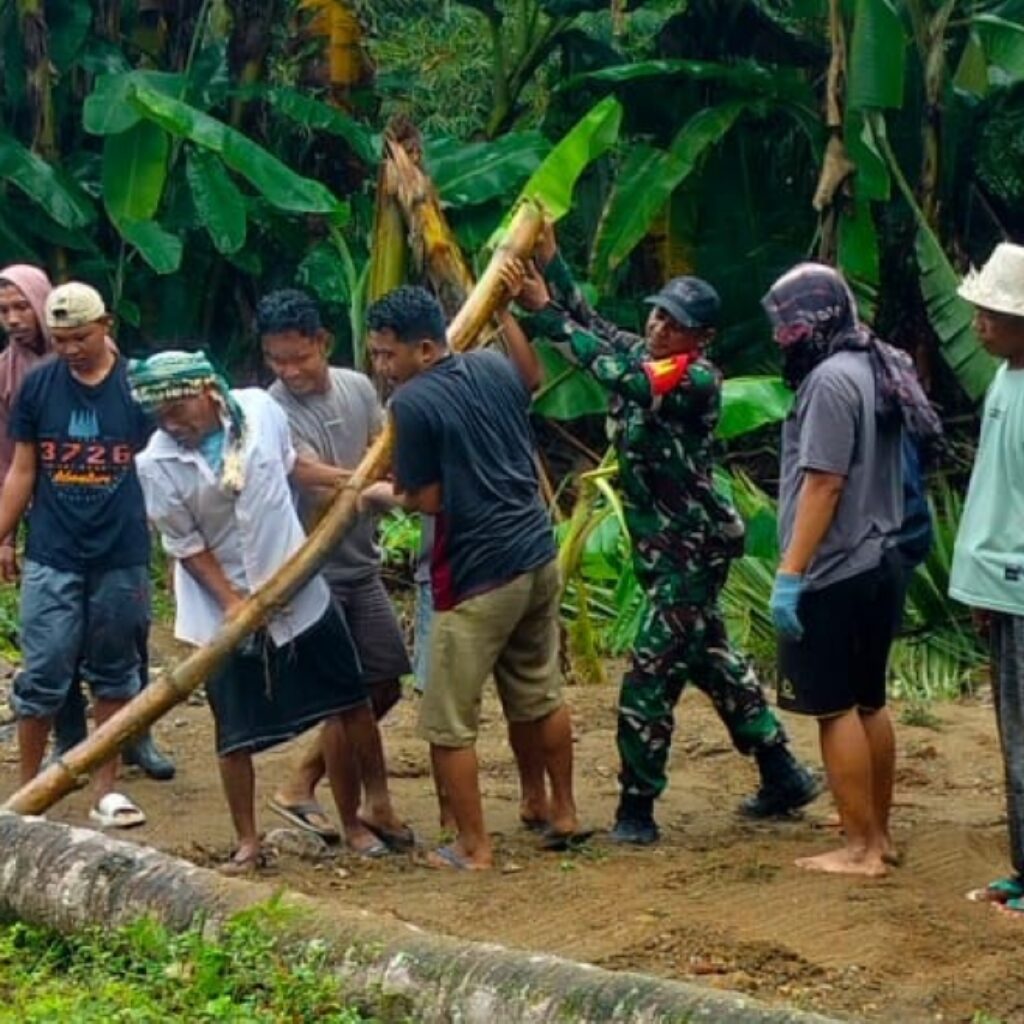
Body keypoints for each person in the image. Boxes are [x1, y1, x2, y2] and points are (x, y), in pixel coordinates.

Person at [512, 229, 818, 846]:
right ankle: (782, 771)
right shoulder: (650, 355)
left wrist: (543, 316)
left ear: (699, 338)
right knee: (710, 659)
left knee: (649, 672)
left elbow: (620, 376)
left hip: (692, 550)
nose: (656, 327)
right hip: (668, 550)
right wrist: (551, 261)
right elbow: (590, 322)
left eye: (672, 323)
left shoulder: (692, 378)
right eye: (655, 315)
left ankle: (636, 810)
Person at [132, 350, 409, 869]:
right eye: (160, 415)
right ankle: (248, 841)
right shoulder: (155, 462)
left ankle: (358, 820)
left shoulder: (258, 409)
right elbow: (187, 546)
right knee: (233, 731)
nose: (171, 423)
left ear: (207, 392)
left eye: (178, 409)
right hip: (221, 609)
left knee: (348, 702)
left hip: (296, 583)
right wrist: (234, 605)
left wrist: (351, 480)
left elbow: (292, 466)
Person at [367, 283, 580, 870]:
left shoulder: (409, 406)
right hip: (536, 556)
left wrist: (377, 493)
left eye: (390, 355)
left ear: (428, 349)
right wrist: (506, 314)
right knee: (539, 693)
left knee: (448, 722)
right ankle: (560, 810)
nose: (382, 367)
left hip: (478, 572)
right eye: (377, 354)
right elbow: (531, 377)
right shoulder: (490, 364)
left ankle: (473, 847)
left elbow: (427, 501)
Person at [763, 262, 941, 878]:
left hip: (836, 564)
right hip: (883, 555)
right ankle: (878, 834)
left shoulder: (829, 383)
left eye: (788, 323)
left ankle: (860, 848)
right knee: (870, 701)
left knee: (833, 707)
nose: (782, 335)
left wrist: (791, 573)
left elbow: (823, 484)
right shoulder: (878, 362)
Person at [0, 265, 174, 780]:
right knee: (44, 670)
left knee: (116, 673)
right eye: (60, 340)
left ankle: (107, 788)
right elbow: (22, 469)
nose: (71, 349)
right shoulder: (37, 388)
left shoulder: (140, 387)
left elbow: (163, 463)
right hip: (52, 551)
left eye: (80, 338)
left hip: (121, 552)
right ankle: (28, 793)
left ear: (106, 325)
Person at [255, 288, 412, 850]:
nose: (290, 371)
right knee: (348, 699)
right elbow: (303, 471)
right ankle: (369, 811)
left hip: (359, 563)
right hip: (312, 569)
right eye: (278, 360)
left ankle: (301, 781)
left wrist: (382, 476)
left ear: (323, 342)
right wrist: (361, 483)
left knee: (385, 682)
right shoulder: (272, 409)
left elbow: (379, 441)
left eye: (299, 357)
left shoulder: (358, 386)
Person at [948, 243, 1024, 916]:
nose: (979, 323)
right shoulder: (1005, 380)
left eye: (994, 314)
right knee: (1013, 735)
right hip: (1002, 586)